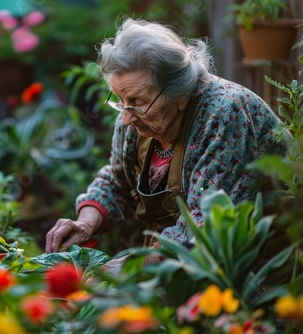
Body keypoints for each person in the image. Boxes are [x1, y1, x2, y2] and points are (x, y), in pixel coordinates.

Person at [45, 18, 290, 267]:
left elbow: (207, 225)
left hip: (268, 268)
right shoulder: (133, 117)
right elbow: (118, 181)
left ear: (179, 94)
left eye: (137, 101)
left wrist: (130, 268)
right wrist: (85, 223)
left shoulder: (224, 113)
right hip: (181, 265)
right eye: (119, 99)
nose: (127, 117)